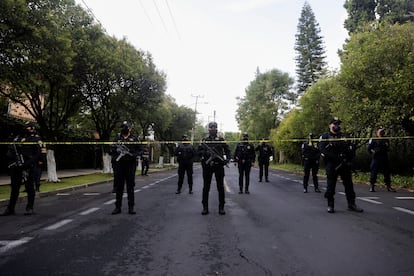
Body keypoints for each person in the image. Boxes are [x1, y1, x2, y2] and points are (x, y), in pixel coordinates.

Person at [319, 118, 363, 213]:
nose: (336, 126)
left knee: (349, 185)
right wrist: (335, 158)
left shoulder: (344, 136)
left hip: (344, 163)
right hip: (332, 164)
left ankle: (351, 204)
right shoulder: (325, 136)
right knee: (331, 185)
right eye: (334, 124)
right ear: (330, 125)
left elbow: (351, 148)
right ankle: (330, 205)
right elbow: (322, 150)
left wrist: (349, 159)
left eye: (338, 124)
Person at [2, 122, 41, 216]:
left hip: (28, 167)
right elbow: (10, 151)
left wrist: (27, 163)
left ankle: (29, 208)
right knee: (14, 188)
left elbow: (37, 154)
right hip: (16, 167)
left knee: (29, 188)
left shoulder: (35, 139)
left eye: (30, 128)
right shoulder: (17, 138)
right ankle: (10, 209)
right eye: (27, 128)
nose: (28, 129)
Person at [198, 122, 231, 215]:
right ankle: (205, 207)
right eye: (211, 128)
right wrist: (205, 154)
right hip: (207, 166)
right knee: (206, 187)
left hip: (219, 165)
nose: (213, 129)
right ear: (208, 129)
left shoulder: (221, 140)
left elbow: (228, 150)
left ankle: (221, 207)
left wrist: (227, 159)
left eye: (214, 128)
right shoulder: (204, 141)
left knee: (220, 187)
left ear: (217, 129)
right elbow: (198, 152)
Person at [109, 121, 141, 215]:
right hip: (119, 165)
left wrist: (133, 156)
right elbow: (111, 149)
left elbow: (140, 150)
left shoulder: (135, 138)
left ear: (130, 128)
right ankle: (117, 207)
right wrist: (115, 152)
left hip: (130, 165)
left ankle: (131, 207)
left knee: (130, 186)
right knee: (119, 186)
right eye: (123, 127)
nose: (125, 129)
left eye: (126, 127)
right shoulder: (117, 138)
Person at [368, 128, 396, 192]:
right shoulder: (373, 139)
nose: (381, 133)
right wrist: (374, 152)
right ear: (377, 133)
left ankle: (388, 186)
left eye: (382, 132)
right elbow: (369, 149)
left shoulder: (386, 139)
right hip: (376, 158)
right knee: (374, 172)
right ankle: (372, 186)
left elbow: (388, 148)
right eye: (380, 132)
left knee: (387, 172)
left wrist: (385, 149)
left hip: (384, 158)